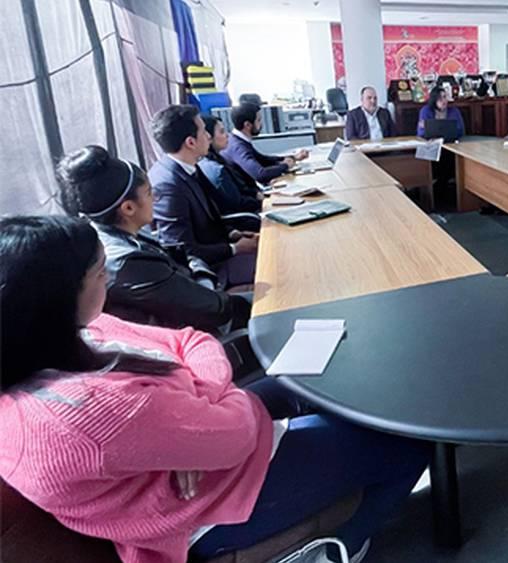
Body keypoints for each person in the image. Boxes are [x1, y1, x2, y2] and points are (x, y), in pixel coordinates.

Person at [0, 215, 431, 563]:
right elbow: (236, 435)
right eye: (99, 273)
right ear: (55, 301)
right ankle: (345, 545)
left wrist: (189, 424)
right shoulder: (87, 416)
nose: (109, 281)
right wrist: (196, 425)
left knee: (320, 379)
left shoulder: (73, 335)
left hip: (209, 448)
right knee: (412, 447)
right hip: (203, 510)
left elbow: (189, 338)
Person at [57, 145, 250, 332]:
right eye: (149, 193)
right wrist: (204, 277)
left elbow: (182, 256)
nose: (156, 199)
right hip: (201, 336)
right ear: (128, 208)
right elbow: (216, 309)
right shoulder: (128, 263)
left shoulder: (115, 233)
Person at [148, 104, 258, 288]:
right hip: (213, 270)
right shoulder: (167, 185)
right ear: (191, 142)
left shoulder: (190, 166)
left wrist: (234, 233)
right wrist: (235, 248)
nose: (208, 136)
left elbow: (213, 214)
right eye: (203, 131)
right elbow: (184, 251)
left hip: (222, 248)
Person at [221, 102, 308, 185]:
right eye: (258, 120)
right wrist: (285, 165)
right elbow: (260, 174)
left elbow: (263, 159)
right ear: (247, 125)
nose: (261, 124)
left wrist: (292, 158)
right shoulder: (238, 147)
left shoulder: (237, 139)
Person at [200, 115, 264, 215]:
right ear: (209, 137)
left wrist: (256, 194)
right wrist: (264, 200)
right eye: (221, 132)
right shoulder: (218, 169)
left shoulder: (216, 159)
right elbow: (238, 203)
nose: (227, 135)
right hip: (248, 217)